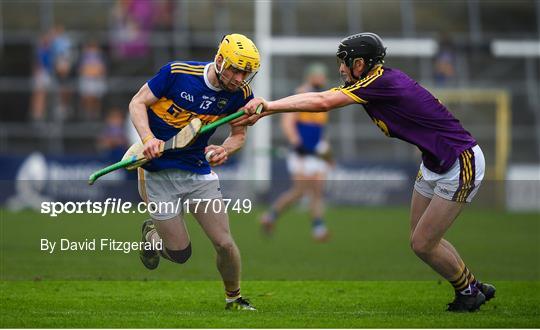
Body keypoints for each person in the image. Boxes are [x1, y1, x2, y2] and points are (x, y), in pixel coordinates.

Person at [237, 32, 496, 312]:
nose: (340, 68)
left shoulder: (379, 81)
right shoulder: (376, 82)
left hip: (460, 161)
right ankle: (472, 285)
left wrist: (269, 106)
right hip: (433, 164)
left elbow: (324, 100)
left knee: (423, 243)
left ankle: (469, 291)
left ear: (360, 64)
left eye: (344, 62)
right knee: (420, 240)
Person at [129, 33, 259, 310]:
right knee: (179, 254)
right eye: (236, 69)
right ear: (221, 59)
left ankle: (234, 298)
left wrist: (226, 149)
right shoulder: (177, 73)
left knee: (224, 242)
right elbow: (137, 103)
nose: (239, 78)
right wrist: (148, 138)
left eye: (246, 73)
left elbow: (238, 135)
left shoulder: (240, 95)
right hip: (157, 172)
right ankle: (153, 237)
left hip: (197, 171)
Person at [260, 63, 333, 241]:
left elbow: (319, 129)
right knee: (300, 191)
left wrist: (327, 153)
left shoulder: (323, 97)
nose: (322, 79)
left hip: (316, 150)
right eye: (320, 76)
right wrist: (296, 142)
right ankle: (270, 216)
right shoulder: (302, 95)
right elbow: (287, 121)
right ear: (312, 76)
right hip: (301, 151)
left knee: (317, 189)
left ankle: (319, 228)